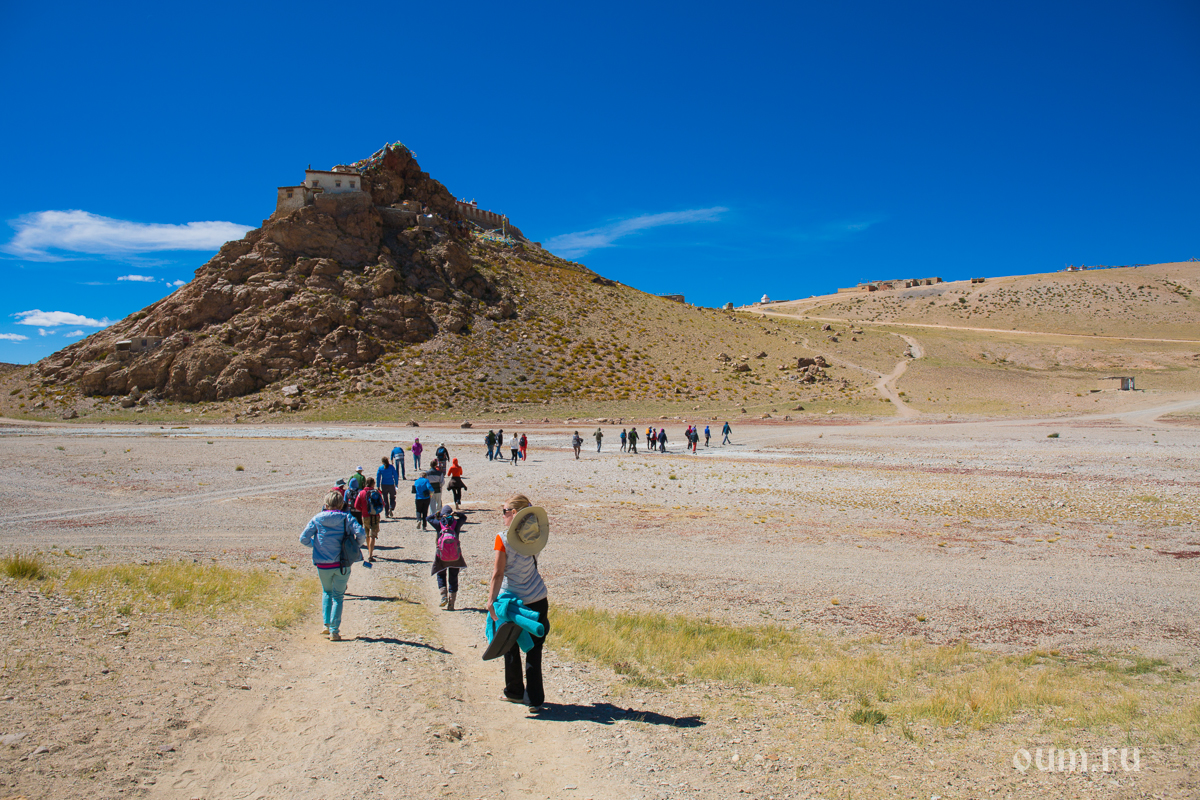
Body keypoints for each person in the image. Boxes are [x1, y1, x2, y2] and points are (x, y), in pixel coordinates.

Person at [488, 495, 549, 710]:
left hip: (513, 602)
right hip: (537, 598)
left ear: (514, 513)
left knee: (509, 645)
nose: (502, 516)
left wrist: (491, 600)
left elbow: (498, 573)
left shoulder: (502, 539)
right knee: (534, 649)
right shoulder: (536, 534)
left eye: (504, 511)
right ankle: (534, 699)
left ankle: (514, 691)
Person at [300, 491, 367, 641]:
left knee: (327, 591)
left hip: (323, 563)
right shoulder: (346, 518)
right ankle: (334, 631)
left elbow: (303, 538)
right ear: (342, 504)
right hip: (342, 562)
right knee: (338, 596)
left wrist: (316, 546)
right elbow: (361, 534)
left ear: (326, 504)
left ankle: (326, 624)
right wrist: (355, 546)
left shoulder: (317, 518)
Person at [431, 504, 467, 610]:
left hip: (441, 555)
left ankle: (443, 596)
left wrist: (436, 514)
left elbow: (428, 518)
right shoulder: (456, 523)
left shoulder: (439, 524)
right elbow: (464, 517)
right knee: (453, 577)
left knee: (441, 575)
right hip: (455, 556)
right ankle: (452, 603)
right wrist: (457, 514)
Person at [354, 478, 384, 562]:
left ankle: (369, 551)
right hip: (375, 516)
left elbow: (356, 505)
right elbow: (382, 504)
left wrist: (363, 510)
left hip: (365, 516)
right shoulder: (376, 492)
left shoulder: (361, 493)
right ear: (373, 483)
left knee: (367, 534)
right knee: (372, 535)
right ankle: (370, 555)